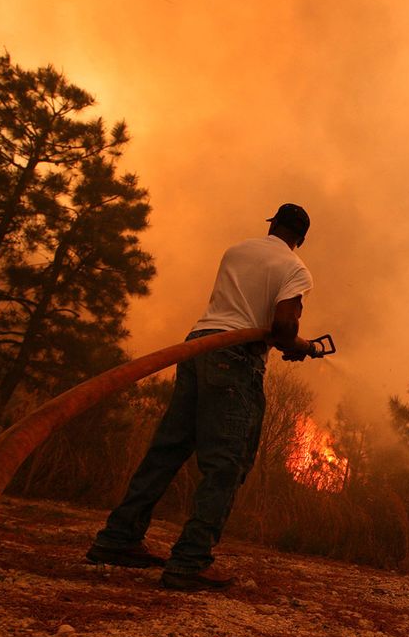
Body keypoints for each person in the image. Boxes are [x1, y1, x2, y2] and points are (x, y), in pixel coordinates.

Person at [86, 203, 318, 590]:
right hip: (234, 359)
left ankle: (117, 538)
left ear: (272, 224)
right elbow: (281, 325)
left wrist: (285, 340)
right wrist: (301, 345)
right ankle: (190, 561)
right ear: (302, 238)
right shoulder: (295, 269)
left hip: (197, 348)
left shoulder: (236, 251)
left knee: (167, 450)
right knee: (226, 462)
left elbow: (238, 308)